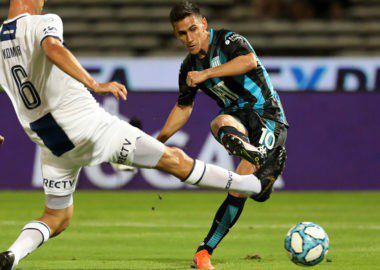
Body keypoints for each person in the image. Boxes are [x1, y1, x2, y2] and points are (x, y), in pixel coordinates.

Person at [0, 1, 274, 269]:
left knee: (56, 216)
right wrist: (94, 83)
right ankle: (254, 185)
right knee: (175, 161)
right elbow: (51, 47)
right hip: (90, 127)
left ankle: (12, 255)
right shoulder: (45, 22)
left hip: (51, 144)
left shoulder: (1, 41)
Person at [157, 2, 288, 269]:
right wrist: (158, 141)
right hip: (237, 120)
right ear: (175, 34)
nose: (189, 38)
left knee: (256, 190)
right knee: (219, 124)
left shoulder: (228, 40)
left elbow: (249, 61)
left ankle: (261, 172)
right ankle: (204, 252)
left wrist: (206, 73)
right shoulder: (188, 67)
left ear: (204, 24)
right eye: (182, 33)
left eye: (193, 29)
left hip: (268, 116)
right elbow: (184, 107)